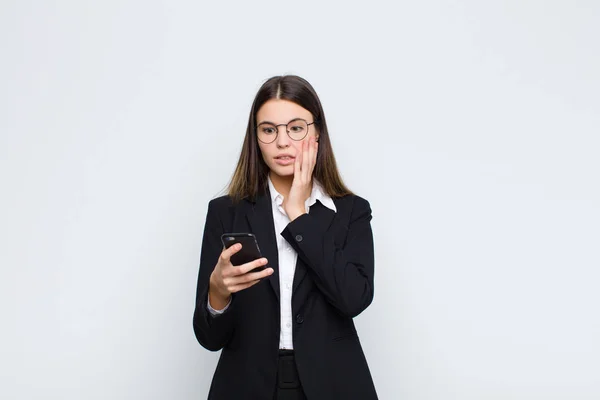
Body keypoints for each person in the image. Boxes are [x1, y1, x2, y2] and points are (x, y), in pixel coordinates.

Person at [193, 75, 378, 399]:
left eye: (295, 128)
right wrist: (218, 293)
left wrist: (298, 214)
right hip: (247, 385)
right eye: (269, 130)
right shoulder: (226, 211)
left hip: (333, 384)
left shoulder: (351, 211)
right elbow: (209, 338)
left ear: (316, 132)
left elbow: (354, 299)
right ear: (256, 137)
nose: (282, 142)